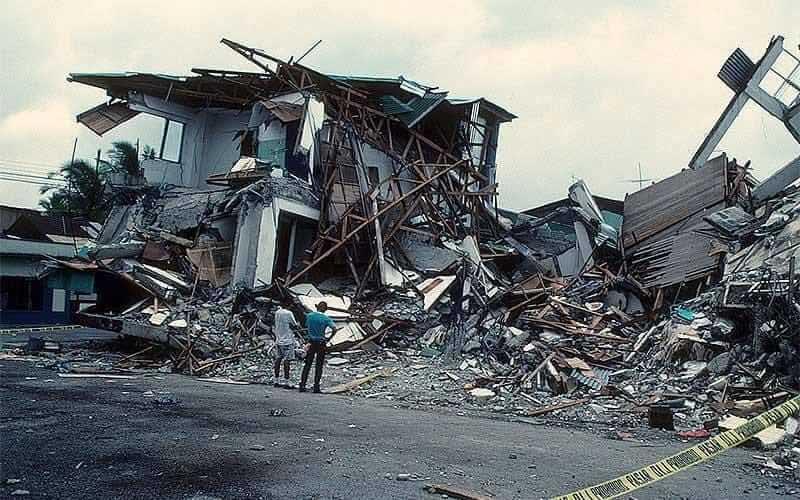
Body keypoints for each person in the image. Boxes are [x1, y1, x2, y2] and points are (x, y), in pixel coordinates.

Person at [299, 301, 336, 393]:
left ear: (317, 307)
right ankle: (316, 386)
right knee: (319, 365)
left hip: (311, 342)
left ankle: (302, 385)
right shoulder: (326, 318)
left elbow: (306, 325)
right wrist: (329, 338)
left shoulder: (309, 316)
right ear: (325, 309)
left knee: (307, 364)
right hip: (321, 342)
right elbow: (334, 328)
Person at [273, 299, 299, 388]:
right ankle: (286, 382)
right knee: (287, 361)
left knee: (278, 359)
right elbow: (295, 325)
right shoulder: (289, 313)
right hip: (287, 340)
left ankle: (276, 380)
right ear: (289, 305)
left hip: (278, 339)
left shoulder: (277, 312)